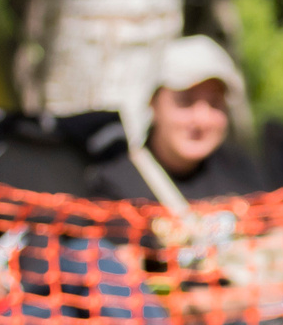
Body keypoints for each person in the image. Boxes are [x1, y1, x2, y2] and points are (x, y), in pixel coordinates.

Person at [85, 36, 268, 204]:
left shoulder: (241, 171)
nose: (201, 120)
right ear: (153, 103)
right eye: (185, 102)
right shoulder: (115, 186)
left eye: (214, 103)